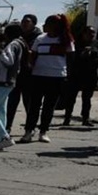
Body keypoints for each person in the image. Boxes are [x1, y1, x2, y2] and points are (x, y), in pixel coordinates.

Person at [19, 13, 73, 143]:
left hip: (56, 77)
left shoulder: (66, 40)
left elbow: (71, 61)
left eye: (47, 24)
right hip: (38, 75)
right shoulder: (40, 39)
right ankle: (28, 131)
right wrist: (29, 63)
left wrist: (68, 78)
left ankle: (43, 132)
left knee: (49, 106)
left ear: (55, 26)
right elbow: (33, 55)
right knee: (34, 105)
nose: (44, 26)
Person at [61, 25, 98, 127]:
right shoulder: (75, 44)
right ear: (83, 33)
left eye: (93, 33)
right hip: (76, 74)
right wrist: (82, 53)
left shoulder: (97, 44)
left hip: (91, 75)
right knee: (71, 98)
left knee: (87, 98)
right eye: (89, 32)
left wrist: (96, 55)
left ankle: (85, 118)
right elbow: (70, 57)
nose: (91, 35)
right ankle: (67, 118)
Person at [7, 14, 40, 131]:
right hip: (16, 74)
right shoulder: (17, 35)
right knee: (11, 103)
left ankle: (30, 128)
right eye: (23, 21)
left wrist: (23, 43)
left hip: (30, 75)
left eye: (27, 22)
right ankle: (7, 127)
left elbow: (32, 53)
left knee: (29, 103)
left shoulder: (38, 37)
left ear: (33, 24)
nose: (24, 24)